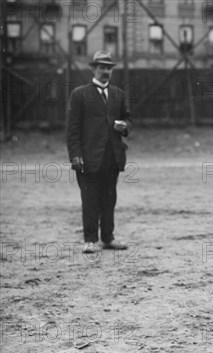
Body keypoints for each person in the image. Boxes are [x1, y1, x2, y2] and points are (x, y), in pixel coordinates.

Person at [67, 50, 132, 254]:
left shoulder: (118, 94)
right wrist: (76, 157)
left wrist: (125, 126)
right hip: (88, 158)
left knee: (109, 199)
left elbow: (127, 119)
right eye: (101, 67)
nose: (105, 71)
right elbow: (72, 129)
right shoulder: (79, 94)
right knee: (90, 199)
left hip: (112, 156)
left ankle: (108, 238)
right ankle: (90, 240)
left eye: (108, 68)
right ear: (93, 69)